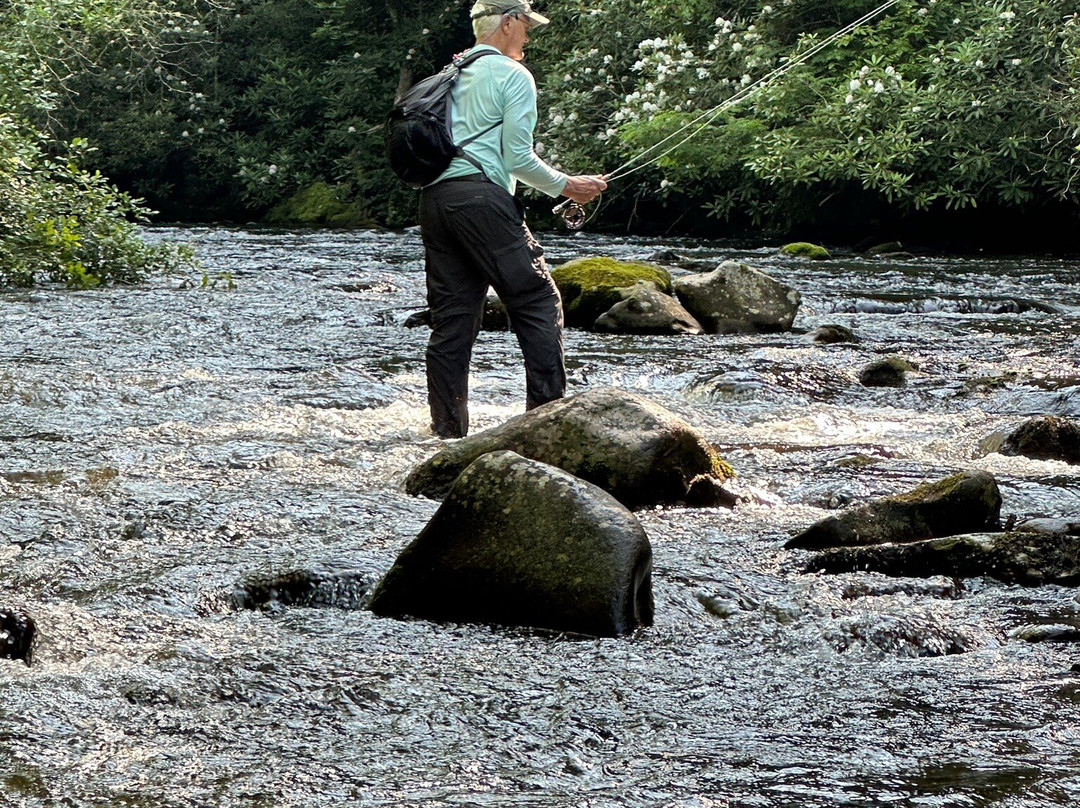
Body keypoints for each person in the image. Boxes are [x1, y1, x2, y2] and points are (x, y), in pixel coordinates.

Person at [418, 0, 607, 438]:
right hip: (482, 200)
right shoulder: (513, 75)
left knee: (453, 320)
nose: (528, 35)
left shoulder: (450, 72)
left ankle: (447, 433)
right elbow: (517, 159)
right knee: (538, 299)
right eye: (526, 26)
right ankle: (544, 424)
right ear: (508, 23)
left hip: (435, 201)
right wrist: (568, 185)